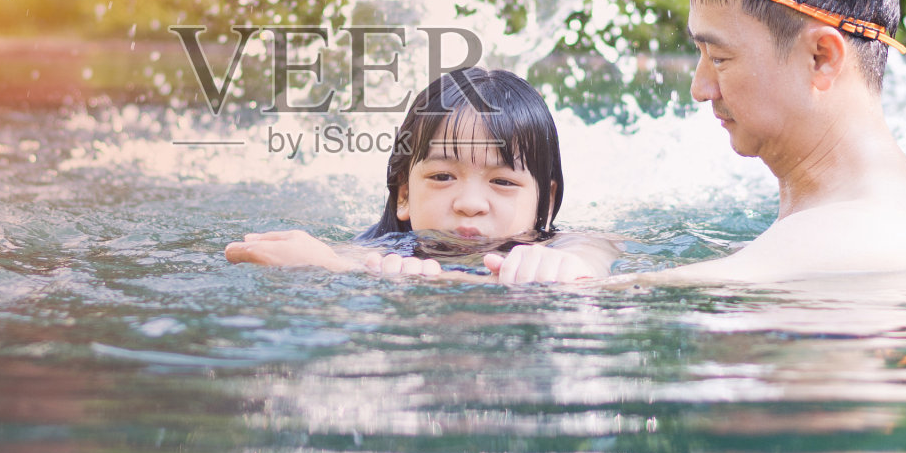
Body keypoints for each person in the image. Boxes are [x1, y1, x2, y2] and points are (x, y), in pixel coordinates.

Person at [483, 0, 906, 285]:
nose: (700, 87)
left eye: (721, 58)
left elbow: (594, 298)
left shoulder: (868, 236)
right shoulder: (828, 222)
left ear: (821, 58)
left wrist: (414, 279)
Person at [224, 67, 619, 283]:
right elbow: (334, 259)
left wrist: (570, 267)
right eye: (443, 176)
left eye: (502, 181)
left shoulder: (566, 245)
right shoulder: (382, 252)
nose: (469, 204)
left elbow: (599, 250)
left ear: (546, 202)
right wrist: (319, 263)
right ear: (404, 195)